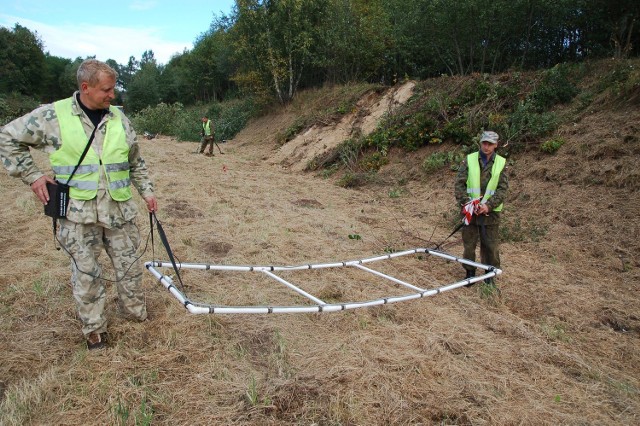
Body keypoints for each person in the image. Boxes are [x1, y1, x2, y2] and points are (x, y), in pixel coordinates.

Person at [0, 59, 158, 350]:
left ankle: (135, 316)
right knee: (87, 274)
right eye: (106, 90)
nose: (113, 96)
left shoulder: (118, 118)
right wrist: (33, 176)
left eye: (113, 89)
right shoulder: (53, 116)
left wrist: (147, 191)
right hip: (77, 216)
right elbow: (7, 137)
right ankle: (95, 331)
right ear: (86, 88)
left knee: (130, 267)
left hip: (119, 212)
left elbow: (134, 159)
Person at [454, 130, 509, 286]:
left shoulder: (501, 163)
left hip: (490, 214)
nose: (486, 147)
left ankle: (489, 276)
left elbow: (502, 189)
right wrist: (468, 204)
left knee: (490, 247)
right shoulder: (469, 160)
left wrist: (488, 206)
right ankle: (469, 274)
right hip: (470, 211)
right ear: (481, 143)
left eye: (490, 144)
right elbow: (459, 185)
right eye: (484, 143)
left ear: (496, 145)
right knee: (469, 245)